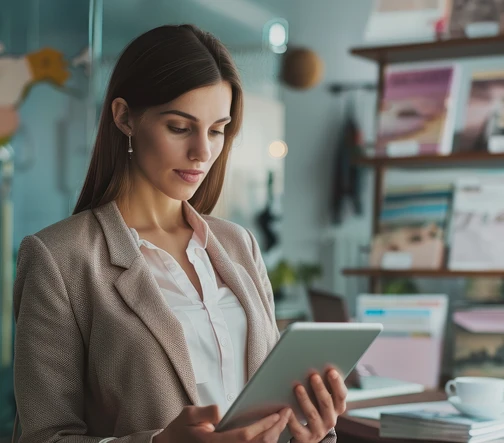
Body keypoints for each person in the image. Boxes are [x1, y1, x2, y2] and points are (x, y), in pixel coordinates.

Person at [12, 24, 345, 443]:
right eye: (179, 127)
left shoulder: (239, 245)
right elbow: (44, 436)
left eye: (217, 129)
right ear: (124, 117)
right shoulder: (58, 258)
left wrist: (310, 434)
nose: (202, 152)